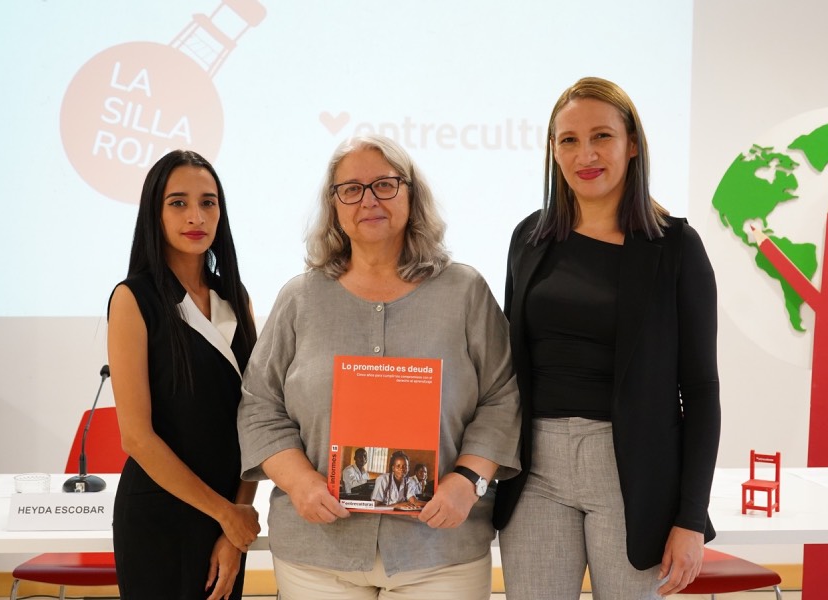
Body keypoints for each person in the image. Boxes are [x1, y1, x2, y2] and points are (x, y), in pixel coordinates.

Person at [237, 133, 521, 600]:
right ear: (334, 205)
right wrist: (299, 482)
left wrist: (468, 481)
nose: (368, 200)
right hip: (318, 554)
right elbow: (259, 406)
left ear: (411, 194)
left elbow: (502, 397)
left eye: (385, 185)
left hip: (440, 551)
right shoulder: (299, 298)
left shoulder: (465, 291)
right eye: (351, 189)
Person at [492, 77, 721, 598]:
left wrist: (691, 517)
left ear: (632, 144)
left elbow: (701, 391)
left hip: (633, 476)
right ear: (553, 151)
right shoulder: (529, 238)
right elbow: (509, 367)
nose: (586, 154)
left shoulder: (677, 248)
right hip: (535, 471)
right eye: (569, 140)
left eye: (602, 136)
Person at [107, 149, 261, 600]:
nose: (196, 216)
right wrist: (226, 514)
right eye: (178, 203)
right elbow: (137, 438)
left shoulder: (235, 297)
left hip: (228, 518)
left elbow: (257, 419)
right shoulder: (133, 299)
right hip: (158, 517)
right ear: (154, 213)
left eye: (208, 202)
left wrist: (235, 521)